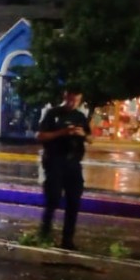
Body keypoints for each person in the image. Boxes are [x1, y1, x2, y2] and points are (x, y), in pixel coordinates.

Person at [36, 88, 91, 249]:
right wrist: (63, 132)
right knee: (53, 199)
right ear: (65, 97)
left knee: (74, 201)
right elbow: (41, 136)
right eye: (70, 100)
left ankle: (68, 240)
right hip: (55, 162)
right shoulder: (53, 114)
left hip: (73, 163)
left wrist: (82, 135)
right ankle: (44, 234)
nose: (73, 103)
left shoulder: (80, 116)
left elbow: (91, 138)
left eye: (76, 100)